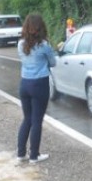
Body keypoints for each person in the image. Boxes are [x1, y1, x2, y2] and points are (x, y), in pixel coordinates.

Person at [16, 13, 56, 164]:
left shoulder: (20, 44)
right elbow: (53, 63)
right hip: (39, 84)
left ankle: (21, 153)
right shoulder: (44, 45)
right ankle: (34, 155)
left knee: (27, 118)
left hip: (24, 84)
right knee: (37, 120)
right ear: (41, 28)